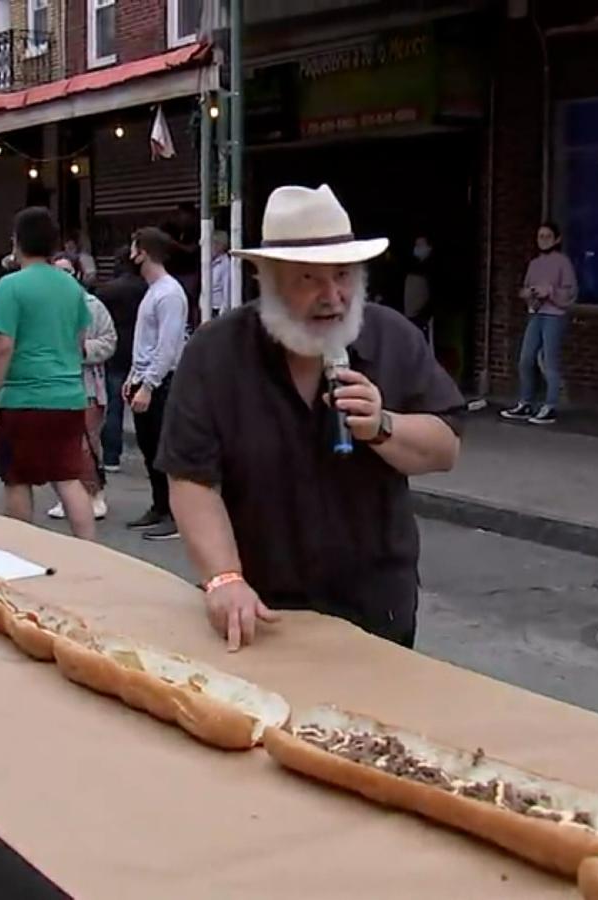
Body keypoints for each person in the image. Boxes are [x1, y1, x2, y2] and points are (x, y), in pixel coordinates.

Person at [159, 184, 465, 650]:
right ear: (266, 279)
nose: (333, 297)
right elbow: (191, 478)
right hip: (262, 611)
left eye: (344, 275)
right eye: (309, 279)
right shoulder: (216, 352)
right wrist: (223, 578)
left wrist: (384, 426)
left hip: (376, 606)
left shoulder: (393, 338)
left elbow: (445, 447)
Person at [0, 208, 97, 539]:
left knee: (17, 477)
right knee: (68, 478)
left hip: (23, 397)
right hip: (68, 396)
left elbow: (2, 347)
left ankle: (23, 551)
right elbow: (79, 340)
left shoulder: (10, 287)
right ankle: (92, 555)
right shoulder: (71, 288)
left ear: (17, 242)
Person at [125, 227, 189, 540]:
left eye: (134, 247)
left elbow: (168, 345)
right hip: (144, 378)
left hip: (162, 383)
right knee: (150, 449)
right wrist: (133, 378)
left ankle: (176, 515)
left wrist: (149, 384)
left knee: (164, 449)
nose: (130, 253)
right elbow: (146, 342)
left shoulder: (169, 293)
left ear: (144, 251)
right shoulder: (153, 291)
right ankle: (159, 506)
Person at [47, 253, 116, 522]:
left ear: (77, 274)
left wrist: (83, 350)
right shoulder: (46, 308)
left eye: (67, 271)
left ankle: (94, 493)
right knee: (61, 443)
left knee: (86, 443)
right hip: (55, 384)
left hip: (87, 383)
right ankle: (68, 496)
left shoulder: (93, 306)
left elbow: (109, 341)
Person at [502, 223, 578, 425]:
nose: (543, 240)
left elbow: (570, 293)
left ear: (557, 239)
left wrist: (551, 292)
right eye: (540, 236)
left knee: (549, 360)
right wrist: (528, 294)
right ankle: (526, 401)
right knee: (526, 358)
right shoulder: (534, 264)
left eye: (547, 236)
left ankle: (550, 405)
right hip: (536, 313)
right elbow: (526, 288)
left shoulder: (563, 263)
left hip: (554, 315)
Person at [95, 251, 145, 473]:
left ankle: (111, 457)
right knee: (145, 407)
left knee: (113, 405)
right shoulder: (147, 289)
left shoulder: (107, 291)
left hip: (115, 351)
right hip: (140, 350)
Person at [207, 230, 231, 319]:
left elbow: (227, 288)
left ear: (220, 246)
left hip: (217, 309)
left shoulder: (225, 264)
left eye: (212, 244)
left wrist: (223, 310)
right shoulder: (208, 261)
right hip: (207, 305)